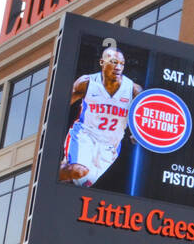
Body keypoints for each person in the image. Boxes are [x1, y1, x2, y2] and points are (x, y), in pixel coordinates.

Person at [59, 46, 142, 186]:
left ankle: (60, 177)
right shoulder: (86, 83)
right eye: (114, 62)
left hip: (110, 146)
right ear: (102, 62)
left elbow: (144, 115)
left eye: (121, 64)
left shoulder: (133, 89)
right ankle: (50, 173)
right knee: (78, 171)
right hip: (85, 135)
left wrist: (138, 133)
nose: (118, 67)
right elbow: (59, 106)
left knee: (82, 184)